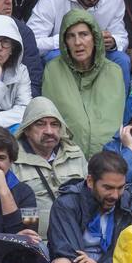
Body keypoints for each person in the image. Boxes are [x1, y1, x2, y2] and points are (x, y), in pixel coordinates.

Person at [39, 10, 127, 163]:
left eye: (83, 34)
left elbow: (114, 122)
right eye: (70, 36)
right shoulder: (53, 69)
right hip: (66, 160)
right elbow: (55, 119)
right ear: (64, 42)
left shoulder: (114, 71)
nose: (78, 42)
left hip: (109, 160)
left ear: (95, 37)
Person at [9, 97, 85, 238]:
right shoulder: (13, 159)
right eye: (40, 124)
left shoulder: (75, 154)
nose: (49, 131)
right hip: (35, 242)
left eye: (55, 124)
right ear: (26, 129)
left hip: (75, 239)